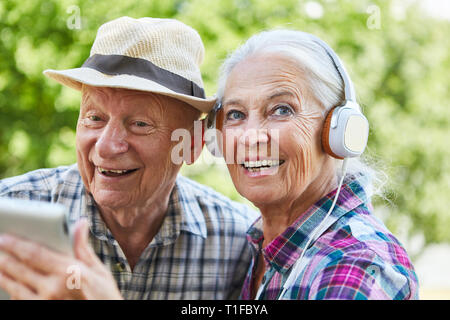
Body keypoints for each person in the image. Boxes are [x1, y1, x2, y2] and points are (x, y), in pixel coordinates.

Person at [0, 17, 258, 300]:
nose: (107, 146)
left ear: (192, 143)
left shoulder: (238, 243)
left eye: (140, 124)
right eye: (95, 118)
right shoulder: (11, 211)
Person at [206, 29, 419, 299]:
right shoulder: (260, 245)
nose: (251, 137)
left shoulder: (354, 270)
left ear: (338, 130)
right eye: (236, 114)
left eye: (282, 110)